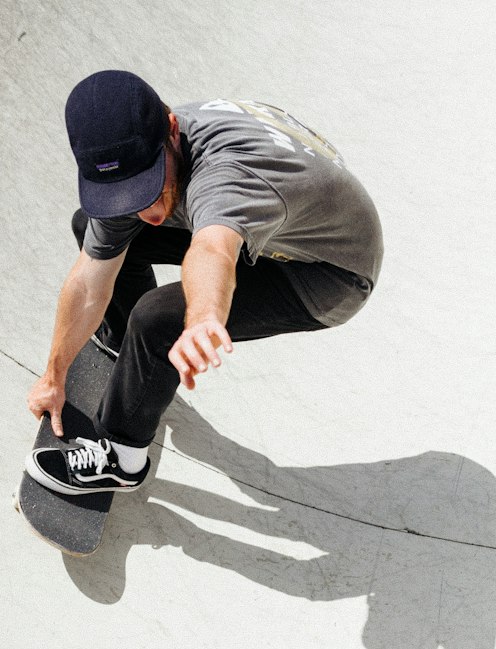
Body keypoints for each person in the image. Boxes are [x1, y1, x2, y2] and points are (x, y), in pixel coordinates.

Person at [26, 70, 383, 496]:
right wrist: (54, 374)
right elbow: (89, 282)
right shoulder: (139, 151)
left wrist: (202, 318)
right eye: (129, 196)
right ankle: (129, 349)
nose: (151, 214)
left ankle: (122, 458)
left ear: (172, 130)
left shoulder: (226, 176)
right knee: (94, 229)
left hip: (328, 270)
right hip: (275, 217)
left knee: (158, 319)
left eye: (152, 190)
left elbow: (213, 250)